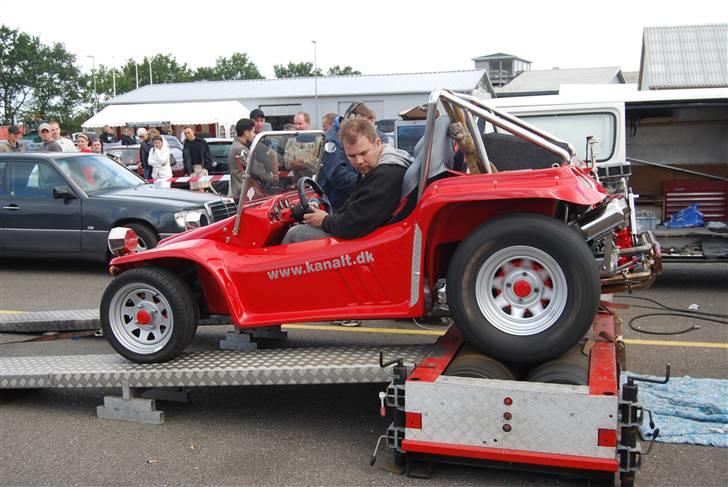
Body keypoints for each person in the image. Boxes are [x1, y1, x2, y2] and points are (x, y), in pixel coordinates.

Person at [283, 117, 412, 244]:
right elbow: (353, 205)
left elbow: (352, 226)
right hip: (374, 234)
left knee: (295, 234)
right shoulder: (375, 167)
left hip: (371, 242)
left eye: (363, 153)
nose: (359, 161)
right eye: (352, 156)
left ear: (377, 143)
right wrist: (327, 217)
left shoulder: (386, 174)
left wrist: (324, 220)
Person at [317, 102, 377, 211]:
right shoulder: (331, 142)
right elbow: (337, 175)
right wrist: (370, 185)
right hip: (334, 205)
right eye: (363, 129)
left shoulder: (346, 137)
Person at [284, 111, 318, 180]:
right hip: (298, 182)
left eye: (300, 124)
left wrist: (298, 162)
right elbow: (287, 163)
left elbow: (316, 163)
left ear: (308, 123)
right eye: (295, 124)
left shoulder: (318, 139)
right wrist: (306, 163)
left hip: (315, 181)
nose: (297, 126)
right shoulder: (291, 140)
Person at [227, 118, 255, 201]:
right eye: (253, 131)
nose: (254, 135)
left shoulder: (238, 146)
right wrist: (270, 176)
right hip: (242, 193)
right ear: (246, 133)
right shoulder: (240, 149)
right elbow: (254, 168)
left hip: (241, 192)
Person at [182, 126, 212, 191]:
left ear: (192, 132)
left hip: (202, 167)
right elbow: (185, 158)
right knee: (194, 189)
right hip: (192, 169)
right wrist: (186, 171)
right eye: (185, 133)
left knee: (201, 188)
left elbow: (208, 155)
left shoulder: (201, 142)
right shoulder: (185, 145)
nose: (187, 134)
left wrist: (206, 167)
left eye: (188, 132)